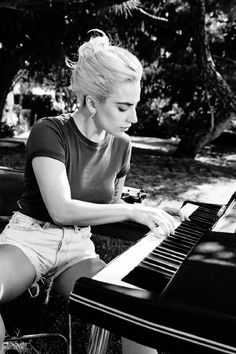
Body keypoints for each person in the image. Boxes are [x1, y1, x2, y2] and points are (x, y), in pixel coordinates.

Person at [0, 29, 186, 354]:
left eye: (135, 106)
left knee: (135, 310)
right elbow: (61, 209)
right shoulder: (49, 131)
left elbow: (109, 208)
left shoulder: (122, 145)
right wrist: (132, 210)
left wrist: (148, 211)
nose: (135, 118)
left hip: (77, 248)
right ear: (90, 101)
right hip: (30, 239)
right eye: (124, 107)